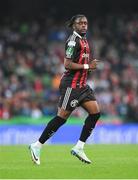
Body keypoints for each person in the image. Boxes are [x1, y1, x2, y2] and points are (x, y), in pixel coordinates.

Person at [29, 14, 101, 165]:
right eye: (80, 23)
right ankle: (37, 145)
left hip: (82, 85)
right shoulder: (73, 42)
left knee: (95, 113)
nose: (84, 25)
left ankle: (79, 147)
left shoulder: (85, 40)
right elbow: (67, 64)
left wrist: (87, 69)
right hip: (71, 86)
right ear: (74, 25)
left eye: (86, 23)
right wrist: (88, 66)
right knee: (61, 118)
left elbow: (80, 63)